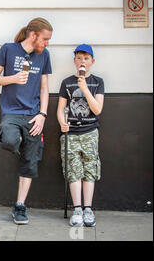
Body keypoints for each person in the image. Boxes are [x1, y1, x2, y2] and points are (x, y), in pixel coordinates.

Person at [0, 17, 53, 225]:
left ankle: (20, 206)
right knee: (8, 139)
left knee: (29, 162)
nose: (46, 44)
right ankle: (23, 146)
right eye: (44, 39)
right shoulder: (8, 49)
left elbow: (44, 87)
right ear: (33, 35)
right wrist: (13, 78)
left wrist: (42, 115)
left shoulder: (44, 56)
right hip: (12, 112)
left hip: (33, 114)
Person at [57, 44, 104, 227]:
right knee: (73, 169)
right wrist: (62, 122)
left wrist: (84, 89)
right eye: (79, 58)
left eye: (86, 58)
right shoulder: (66, 82)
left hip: (90, 132)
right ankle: (77, 209)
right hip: (71, 133)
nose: (82, 61)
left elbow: (97, 109)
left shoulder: (97, 82)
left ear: (92, 62)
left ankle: (88, 209)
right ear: (74, 61)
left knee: (89, 169)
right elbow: (60, 109)